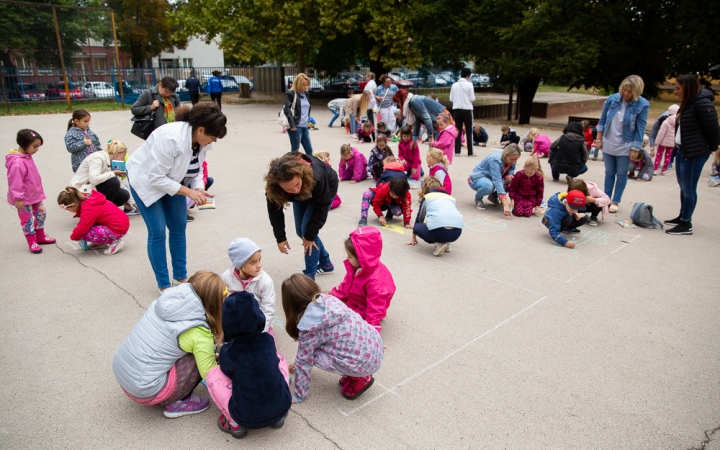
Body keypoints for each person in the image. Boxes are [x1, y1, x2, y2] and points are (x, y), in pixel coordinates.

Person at [126, 103, 227, 290]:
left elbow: (197, 169)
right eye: (213, 137)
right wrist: (189, 192)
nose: (214, 141)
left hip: (173, 181)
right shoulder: (170, 138)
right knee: (157, 231)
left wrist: (199, 188)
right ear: (201, 130)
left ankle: (180, 277)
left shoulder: (201, 141)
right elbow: (156, 178)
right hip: (147, 181)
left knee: (178, 226)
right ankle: (164, 285)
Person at [112, 271, 224, 418]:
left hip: (125, 377)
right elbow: (210, 374)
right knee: (198, 355)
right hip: (147, 391)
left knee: (182, 346)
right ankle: (179, 402)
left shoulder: (164, 304)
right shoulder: (198, 333)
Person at [282, 274, 384, 402]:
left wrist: (298, 395)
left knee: (312, 354)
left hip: (363, 364)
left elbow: (304, 361)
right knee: (324, 343)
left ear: (290, 306)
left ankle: (358, 378)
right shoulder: (329, 300)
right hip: (374, 346)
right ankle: (355, 373)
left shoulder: (309, 328)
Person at [210, 291, 291, 439]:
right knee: (279, 358)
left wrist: (221, 355)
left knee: (212, 375)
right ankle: (278, 418)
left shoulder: (229, 351)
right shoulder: (268, 340)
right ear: (258, 315)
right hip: (282, 407)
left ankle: (234, 425)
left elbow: (226, 371)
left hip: (244, 416)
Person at [265, 152, 338, 280]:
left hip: (324, 189)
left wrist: (310, 235)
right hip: (307, 190)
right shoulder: (274, 187)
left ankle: (309, 278)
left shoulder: (317, 177)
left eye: (296, 184)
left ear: (300, 175)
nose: (295, 191)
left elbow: (321, 209)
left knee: (308, 233)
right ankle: (326, 264)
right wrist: (280, 237)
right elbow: (274, 210)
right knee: (301, 232)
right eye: (288, 190)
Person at [664, 74, 719, 235]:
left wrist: (711, 147)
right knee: (683, 186)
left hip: (695, 152)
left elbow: (713, 128)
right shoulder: (689, 103)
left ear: (687, 88)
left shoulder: (702, 104)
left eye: (678, 88)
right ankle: (682, 216)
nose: (675, 91)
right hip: (683, 149)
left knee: (689, 188)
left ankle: (686, 223)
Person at [595, 75, 650, 213]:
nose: (626, 93)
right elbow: (602, 120)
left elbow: (640, 127)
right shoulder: (612, 99)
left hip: (626, 143)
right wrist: (599, 138)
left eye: (630, 91)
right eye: (624, 90)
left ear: (636, 91)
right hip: (608, 140)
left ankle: (615, 201)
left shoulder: (642, 104)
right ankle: (606, 199)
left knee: (621, 174)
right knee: (609, 172)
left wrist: (635, 147)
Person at [330, 227, 396, 333]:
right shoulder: (357, 267)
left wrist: (373, 336)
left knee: (342, 325)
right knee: (329, 306)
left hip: (365, 308)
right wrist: (332, 295)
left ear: (362, 257)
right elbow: (346, 284)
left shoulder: (376, 282)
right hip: (355, 299)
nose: (347, 258)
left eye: (350, 256)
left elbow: (375, 308)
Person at [6, 129, 55, 253]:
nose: (36, 149)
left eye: (38, 146)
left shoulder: (27, 157)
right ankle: (32, 242)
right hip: (23, 198)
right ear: (24, 144)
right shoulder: (17, 162)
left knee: (41, 214)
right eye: (34, 146)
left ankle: (40, 236)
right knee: (27, 220)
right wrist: (18, 198)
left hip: (35, 195)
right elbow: (15, 182)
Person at [221, 237, 276, 332]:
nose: (259, 265)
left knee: (265, 345)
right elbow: (223, 302)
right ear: (240, 264)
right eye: (253, 262)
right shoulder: (226, 277)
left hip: (259, 323)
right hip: (236, 321)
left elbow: (268, 309)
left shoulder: (265, 281)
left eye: (259, 259)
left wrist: (261, 331)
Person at [57, 186, 129, 255]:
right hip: (120, 223)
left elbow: (83, 226)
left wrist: (74, 236)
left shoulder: (88, 208)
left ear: (73, 205)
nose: (69, 211)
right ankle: (101, 242)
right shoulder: (87, 200)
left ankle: (115, 242)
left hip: (118, 228)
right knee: (87, 228)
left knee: (84, 234)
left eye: (68, 209)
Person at [406, 176, 464, 257]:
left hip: (440, 232)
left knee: (417, 226)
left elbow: (420, 219)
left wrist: (413, 237)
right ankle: (446, 242)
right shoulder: (451, 198)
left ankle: (440, 243)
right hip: (457, 232)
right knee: (440, 222)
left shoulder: (427, 197)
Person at [69, 139, 132, 209]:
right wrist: (113, 173)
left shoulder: (110, 161)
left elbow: (119, 184)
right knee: (113, 182)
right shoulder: (97, 159)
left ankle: (101, 210)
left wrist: (133, 203)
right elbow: (94, 179)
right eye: (123, 155)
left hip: (90, 188)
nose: (123, 159)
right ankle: (102, 211)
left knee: (124, 195)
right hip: (79, 192)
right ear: (117, 153)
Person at [468, 144, 521, 214]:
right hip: (478, 178)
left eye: (516, 159)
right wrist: (505, 204)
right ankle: (478, 199)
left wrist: (510, 175)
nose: (514, 162)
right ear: (506, 155)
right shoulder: (496, 159)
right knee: (489, 186)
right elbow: (497, 180)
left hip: (493, 178)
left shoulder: (512, 157)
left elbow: (511, 169)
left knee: (512, 182)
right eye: (512, 159)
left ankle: (493, 196)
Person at [284, 73, 315, 156]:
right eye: (303, 85)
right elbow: (286, 109)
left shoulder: (306, 94)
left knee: (309, 150)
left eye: (307, 85)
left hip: (305, 126)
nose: (306, 87)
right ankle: (291, 167)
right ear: (298, 84)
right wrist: (292, 124)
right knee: (295, 150)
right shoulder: (291, 93)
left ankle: (311, 168)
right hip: (296, 126)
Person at [449, 68, 476, 157]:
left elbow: (451, 99)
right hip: (467, 109)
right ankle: (470, 152)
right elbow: (472, 98)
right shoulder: (469, 85)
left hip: (457, 110)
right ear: (468, 75)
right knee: (469, 130)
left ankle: (457, 151)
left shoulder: (454, 85)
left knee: (458, 130)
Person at [652, 104, 679, 175]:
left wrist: (657, 142)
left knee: (658, 155)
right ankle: (664, 170)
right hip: (672, 143)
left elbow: (661, 133)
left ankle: (655, 169)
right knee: (668, 156)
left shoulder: (666, 121)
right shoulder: (678, 122)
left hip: (663, 142)